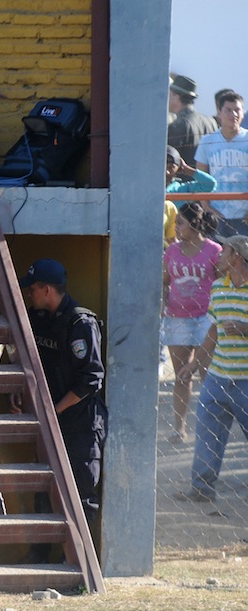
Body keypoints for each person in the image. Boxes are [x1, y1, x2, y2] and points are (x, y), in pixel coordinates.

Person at [16, 259, 107, 529]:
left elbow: (91, 379)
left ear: (47, 290)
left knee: (80, 496)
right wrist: (20, 393)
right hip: (50, 419)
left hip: (80, 423)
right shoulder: (38, 319)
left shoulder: (81, 323)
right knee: (44, 494)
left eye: (32, 288)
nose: (28, 294)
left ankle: (83, 555)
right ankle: (40, 551)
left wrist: (54, 410)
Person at [175, 235, 248, 503]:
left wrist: (244, 329)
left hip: (246, 381)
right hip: (217, 377)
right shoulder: (218, 288)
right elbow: (213, 332)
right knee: (207, 434)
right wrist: (194, 364)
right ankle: (202, 488)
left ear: (236, 257)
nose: (219, 256)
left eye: (224, 250)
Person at [163, 203, 222, 443]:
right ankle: (179, 427)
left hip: (206, 319)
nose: (176, 227)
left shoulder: (214, 250)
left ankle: (209, 429)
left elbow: (221, 282)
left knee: (207, 376)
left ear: (195, 224)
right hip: (177, 318)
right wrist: (164, 302)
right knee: (181, 375)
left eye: (180, 223)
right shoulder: (172, 251)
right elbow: (165, 279)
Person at [195, 92, 248, 237]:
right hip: (216, 214)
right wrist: (207, 208)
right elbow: (200, 178)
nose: (233, 114)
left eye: (237, 110)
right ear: (219, 113)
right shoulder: (207, 141)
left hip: (244, 216)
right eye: (228, 110)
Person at [167, 75, 218, 166]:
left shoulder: (178, 125)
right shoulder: (211, 122)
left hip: (185, 175)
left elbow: (170, 161)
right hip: (205, 175)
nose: (167, 99)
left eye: (169, 95)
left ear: (176, 96)